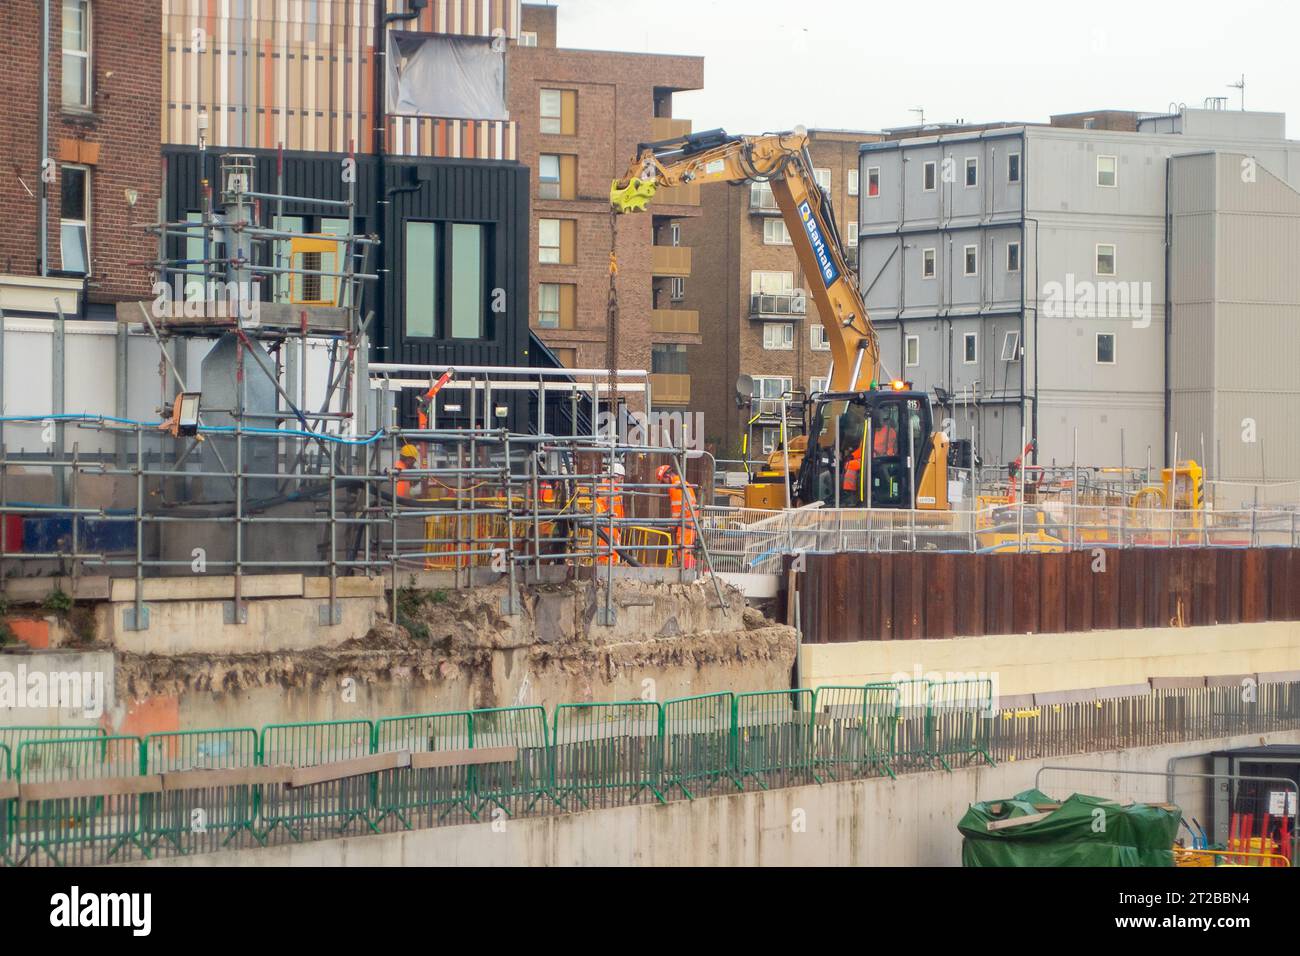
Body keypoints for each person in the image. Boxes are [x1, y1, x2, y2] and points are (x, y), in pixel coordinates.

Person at [656, 463, 697, 569]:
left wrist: (672, 526)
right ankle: (686, 569)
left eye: (663, 481)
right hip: (690, 520)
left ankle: (687, 572)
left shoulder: (675, 487)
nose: (663, 485)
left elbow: (677, 509)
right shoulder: (682, 482)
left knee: (684, 549)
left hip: (686, 522)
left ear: (667, 476)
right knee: (686, 548)